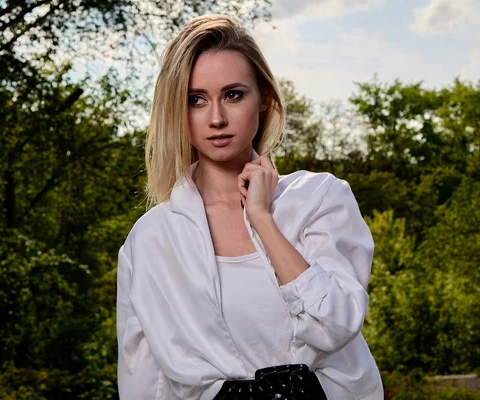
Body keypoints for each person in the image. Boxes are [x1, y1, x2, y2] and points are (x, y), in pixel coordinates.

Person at [116, 14, 383, 400]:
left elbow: (338, 323)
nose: (217, 118)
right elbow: (145, 379)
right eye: (196, 100)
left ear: (264, 99)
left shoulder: (320, 198)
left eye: (233, 94)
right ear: (177, 109)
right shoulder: (150, 240)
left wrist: (262, 218)